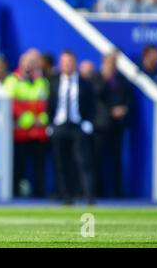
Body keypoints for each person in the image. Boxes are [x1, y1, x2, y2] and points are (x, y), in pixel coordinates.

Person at [47, 50, 94, 205]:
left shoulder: (84, 83)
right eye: (64, 62)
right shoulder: (53, 82)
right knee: (61, 164)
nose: (67, 65)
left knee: (82, 162)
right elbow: (50, 105)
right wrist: (50, 124)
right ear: (60, 64)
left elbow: (91, 104)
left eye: (70, 62)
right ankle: (66, 197)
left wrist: (88, 122)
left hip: (77, 126)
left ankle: (88, 196)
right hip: (59, 126)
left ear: (75, 63)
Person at [3, 51, 50, 197]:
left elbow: (47, 103)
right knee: (19, 165)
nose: (29, 65)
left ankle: (40, 194)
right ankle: (15, 193)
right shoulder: (12, 80)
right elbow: (9, 104)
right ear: (20, 63)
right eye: (26, 61)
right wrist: (27, 118)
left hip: (39, 132)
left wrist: (42, 118)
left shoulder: (42, 81)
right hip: (20, 132)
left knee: (39, 165)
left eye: (32, 62)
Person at [92, 53, 133, 197]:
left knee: (117, 160)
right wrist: (105, 76)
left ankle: (118, 192)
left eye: (114, 62)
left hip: (118, 125)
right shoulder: (97, 77)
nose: (113, 65)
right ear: (103, 63)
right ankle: (98, 191)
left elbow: (129, 98)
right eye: (110, 62)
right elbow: (96, 94)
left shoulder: (121, 79)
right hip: (101, 125)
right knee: (97, 159)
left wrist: (124, 109)